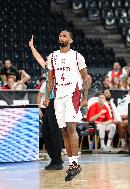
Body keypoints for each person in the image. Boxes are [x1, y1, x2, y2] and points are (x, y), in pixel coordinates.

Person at [44, 30, 89, 181]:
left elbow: (86, 77)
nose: (61, 37)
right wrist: (47, 96)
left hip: (72, 94)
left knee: (71, 127)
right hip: (58, 97)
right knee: (63, 131)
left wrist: (85, 96)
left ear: (70, 40)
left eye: (64, 36)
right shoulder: (52, 56)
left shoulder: (77, 56)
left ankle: (75, 163)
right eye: (60, 36)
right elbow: (50, 79)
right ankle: (72, 165)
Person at [29, 35, 63, 170]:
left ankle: (58, 160)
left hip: (57, 103)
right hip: (49, 104)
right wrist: (32, 48)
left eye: (49, 58)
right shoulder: (49, 70)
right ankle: (54, 159)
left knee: (55, 132)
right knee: (46, 132)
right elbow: (38, 58)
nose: (46, 59)